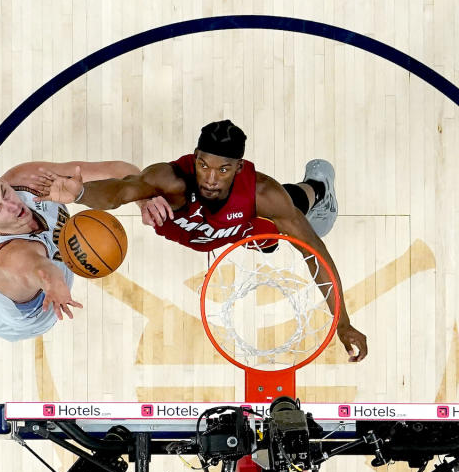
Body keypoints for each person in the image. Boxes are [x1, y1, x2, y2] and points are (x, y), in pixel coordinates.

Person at [35, 120, 368, 361]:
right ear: (194, 157)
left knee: (288, 216)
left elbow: (316, 255)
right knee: (268, 233)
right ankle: (272, 228)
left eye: (223, 170)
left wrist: (344, 322)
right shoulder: (170, 180)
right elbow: (122, 190)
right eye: (204, 165)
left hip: (242, 225)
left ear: (239, 167)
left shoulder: (261, 193)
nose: (210, 178)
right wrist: (80, 192)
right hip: (209, 231)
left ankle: (319, 186)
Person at [0, 160, 140, 341]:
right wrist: (54, 283)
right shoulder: (11, 260)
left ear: (1, 180)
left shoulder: (23, 179)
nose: (13, 206)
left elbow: (120, 170)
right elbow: (39, 268)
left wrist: (145, 196)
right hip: (18, 315)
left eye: (4, 193)